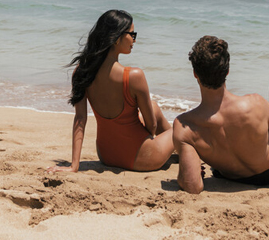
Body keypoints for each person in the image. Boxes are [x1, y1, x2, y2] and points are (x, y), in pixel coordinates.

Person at [173, 35, 269, 193]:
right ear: (227, 71)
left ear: (195, 73)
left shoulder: (184, 126)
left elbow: (193, 186)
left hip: (230, 176)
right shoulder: (254, 103)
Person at [48, 10, 174, 173]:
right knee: (181, 128)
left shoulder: (82, 72)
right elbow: (152, 126)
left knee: (154, 106)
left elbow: (80, 119)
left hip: (107, 156)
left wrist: (74, 166)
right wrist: (146, 139)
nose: (134, 40)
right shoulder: (134, 76)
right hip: (144, 158)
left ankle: (175, 152)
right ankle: (182, 152)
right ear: (116, 37)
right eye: (132, 34)